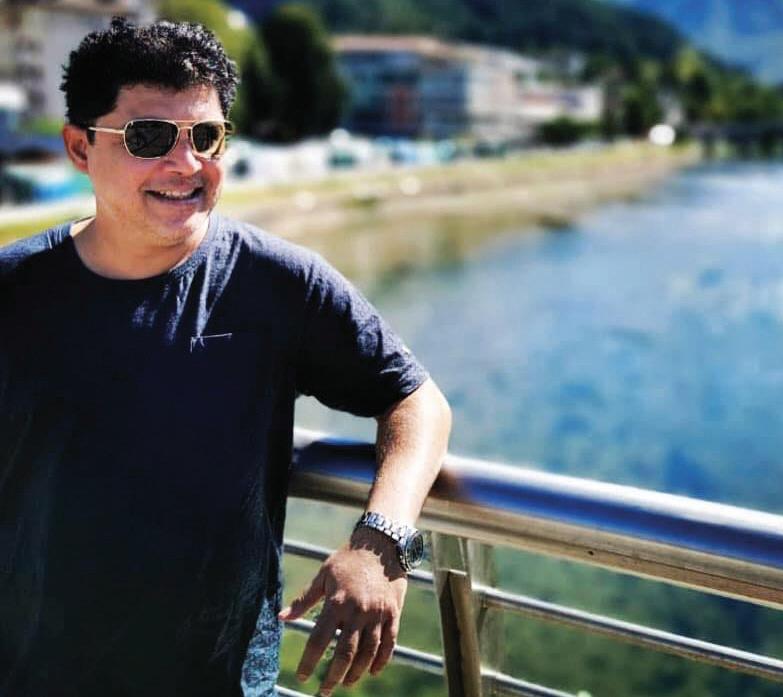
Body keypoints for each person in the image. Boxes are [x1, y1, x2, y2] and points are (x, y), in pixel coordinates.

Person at [0, 17, 451, 697]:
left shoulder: (279, 283)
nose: (186, 164)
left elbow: (416, 401)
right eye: (149, 137)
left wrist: (381, 542)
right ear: (79, 147)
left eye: (206, 137)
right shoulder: (14, 290)